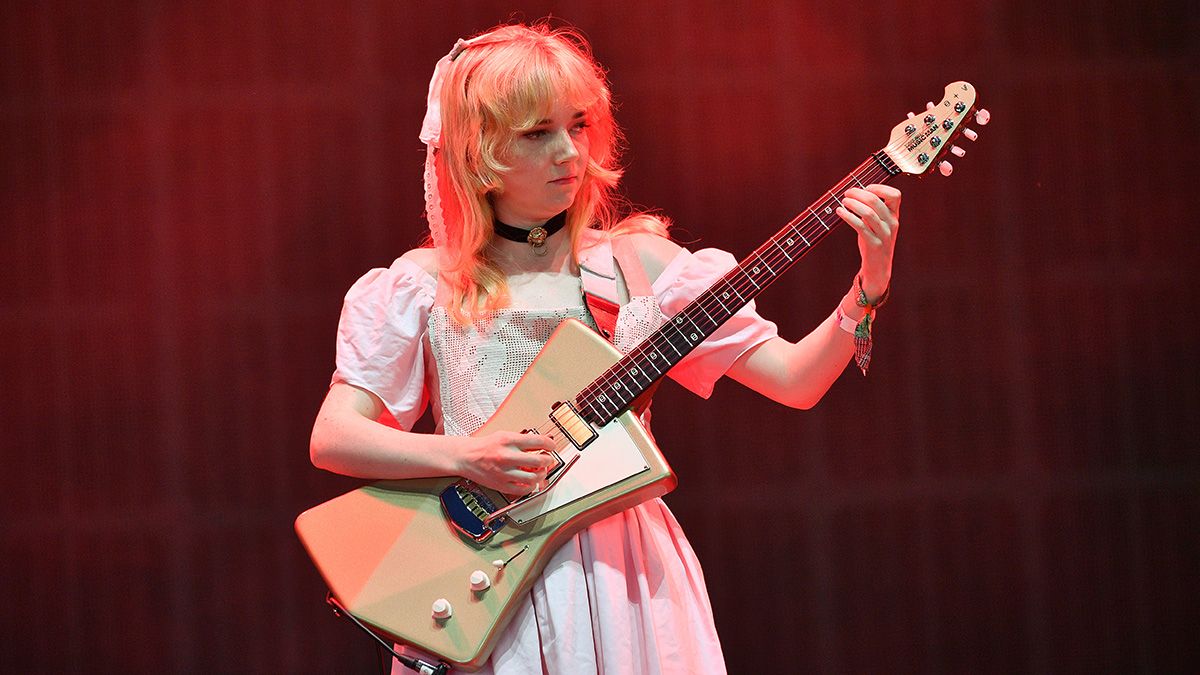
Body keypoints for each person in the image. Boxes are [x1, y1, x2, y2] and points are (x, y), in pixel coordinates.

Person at [309, 21, 900, 675]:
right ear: (477, 153)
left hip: (627, 584)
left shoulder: (636, 264)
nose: (570, 152)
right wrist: (464, 454)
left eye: (578, 125)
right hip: (483, 579)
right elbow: (335, 435)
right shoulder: (422, 285)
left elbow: (795, 379)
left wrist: (866, 290)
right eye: (538, 133)